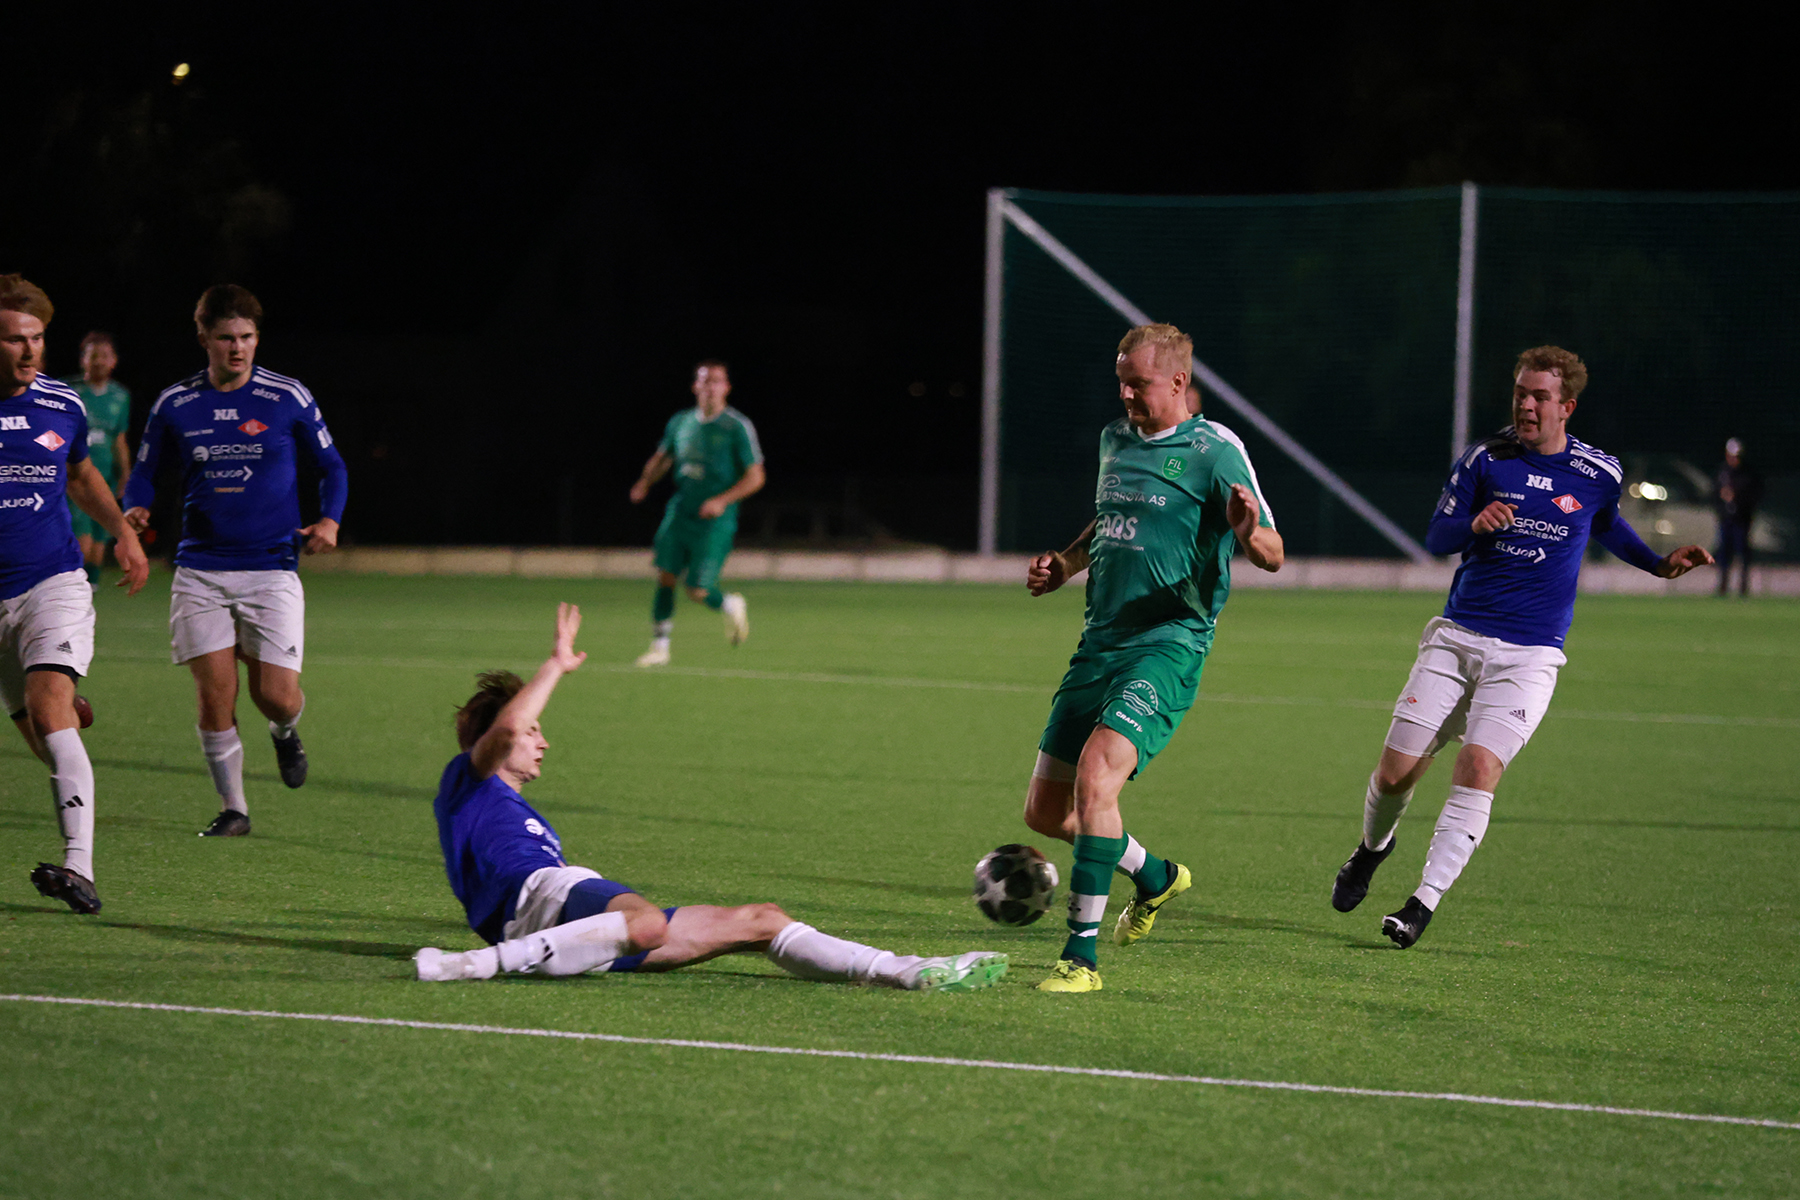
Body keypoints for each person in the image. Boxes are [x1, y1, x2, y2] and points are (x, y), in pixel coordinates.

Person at [415, 603, 1008, 992]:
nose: (543, 742)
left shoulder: (516, 810)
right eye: (534, 733)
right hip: (538, 904)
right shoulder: (466, 784)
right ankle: (478, 965)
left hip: (558, 925)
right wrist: (554, 666)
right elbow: (506, 732)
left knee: (761, 920)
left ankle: (909, 971)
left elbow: (510, 733)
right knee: (643, 923)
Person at [1331, 346, 1713, 948]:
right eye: (1519, 393)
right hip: (1457, 641)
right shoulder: (1486, 459)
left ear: (1567, 406)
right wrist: (1474, 524)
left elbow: (1607, 522)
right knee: (1397, 774)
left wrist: (1658, 564)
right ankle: (1372, 849)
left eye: (1539, 396)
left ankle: (1421, 904)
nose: (1526, 405)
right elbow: (1435, 537)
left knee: (1478, 767)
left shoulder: (1598, 472)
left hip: (1530, 655)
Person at [1021, 323, 1283, 994]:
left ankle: (1079, 960)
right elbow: (1106, 521)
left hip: (1169, 642)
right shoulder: (1115, 439)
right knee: (1046, 815)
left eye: (1137, 383)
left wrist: (1249, 534)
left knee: (1097, 778)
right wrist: (1064, 564)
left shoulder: (1215, 450)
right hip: (1099, 641)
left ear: (1177, 382)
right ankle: (1156, 875)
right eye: (1120, 381)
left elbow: (1274, 552)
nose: (1126, 394)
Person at [122, 285, 348, 838]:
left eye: (246, 337)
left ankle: (284, 731)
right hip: (200, 569)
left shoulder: (286, 396)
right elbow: (146, 469)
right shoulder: (176, 403)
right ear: (204, 338)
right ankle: (235, 809)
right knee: (214, 693)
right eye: (226, 338)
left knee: (275, 696)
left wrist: (330, 520)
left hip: (272, 567)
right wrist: (135, 505)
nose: (238, 348)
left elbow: (333, 466)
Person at [0, 274, 150, 913]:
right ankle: (59, 699)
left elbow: (81, 473)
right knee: (39, 729)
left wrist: (121, 530)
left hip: (52, 581)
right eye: (13, 339)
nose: (29, 351)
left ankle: (79, 868)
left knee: (49, 705)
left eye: (36, 338)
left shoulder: (63, 404)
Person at [627, 360, 764, 667]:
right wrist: (644, 482)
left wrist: (722, 500)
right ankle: (660, 648)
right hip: (681, 511)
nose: (710, 387)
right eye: (705, 381)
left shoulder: (736, 426)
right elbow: (663, 458)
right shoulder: (681, 422)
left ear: (726, 388)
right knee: (665, 575)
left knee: (697, 590)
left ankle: (729, 604)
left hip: (715, 520)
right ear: (695, 386)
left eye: (717, 381)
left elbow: (756, 477)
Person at [63, 332, 133, 589]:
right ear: (83, 360)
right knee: (81, 534)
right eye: (93, 356)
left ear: (114, 360)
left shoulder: (120, 395)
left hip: (106, 475)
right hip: (76, 474)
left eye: (105, 356)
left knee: (101, 534)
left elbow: (119, 439)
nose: (99, 362)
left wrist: (126, 474)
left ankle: (90, 585)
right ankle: (75, 584)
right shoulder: (67, 390)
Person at [1713, 437, 1762, 597]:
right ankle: (1723, 585)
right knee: (1724, 553)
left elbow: (1754, 495)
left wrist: (1738, 498)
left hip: (1741, 519)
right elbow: (1714, 494)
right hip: (1726, 518)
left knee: (1742, 552)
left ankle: (1743, 587)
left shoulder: (1748, 474)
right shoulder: (1722, 472)